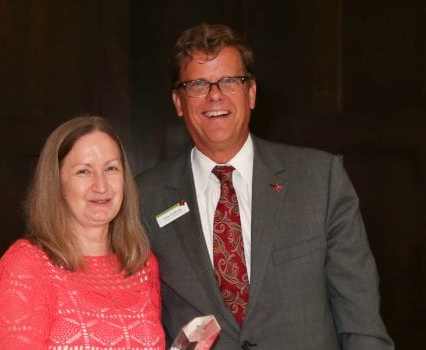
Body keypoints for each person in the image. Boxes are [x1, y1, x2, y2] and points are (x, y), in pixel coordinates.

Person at [136, 23, 394, 349]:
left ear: (252, 93)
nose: (214, 94)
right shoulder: (144, 197)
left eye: (229, 81)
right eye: (198, 84)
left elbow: (361, 321)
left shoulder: (319, 179)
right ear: (178, 101)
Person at [0, 115, 165, 349]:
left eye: (111, 168)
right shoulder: (26, 265)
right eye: (83, 172)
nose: (101, 186)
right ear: (56, 182)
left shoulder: (142, 264)